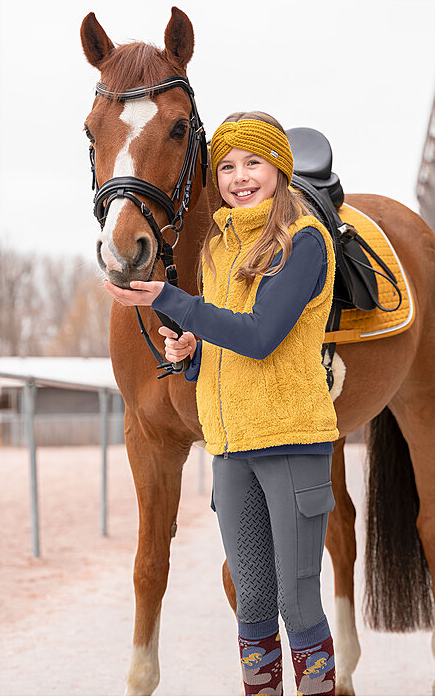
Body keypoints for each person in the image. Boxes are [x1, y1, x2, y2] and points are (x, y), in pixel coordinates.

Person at [104, 112, 339, 696]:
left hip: (289, 441)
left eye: (252, 163)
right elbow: (227, 352)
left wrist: (171, 300)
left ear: (279, 170)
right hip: (232, 453)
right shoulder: (217, 252)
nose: (239, 177)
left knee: (297, 598)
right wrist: (190, 357)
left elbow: (260, 337)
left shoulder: (303, 242)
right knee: (253, 602)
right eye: (227, 167)